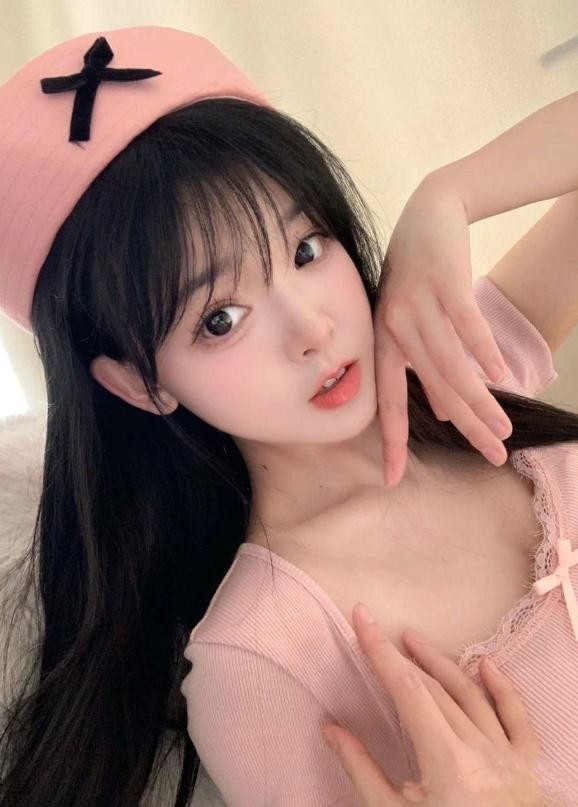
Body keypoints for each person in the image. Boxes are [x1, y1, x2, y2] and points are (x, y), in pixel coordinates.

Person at [0, 24, 576, 806]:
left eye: (307, 249)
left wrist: (451, 193)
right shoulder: (263, 662)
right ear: (139, 384)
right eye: (220, 318)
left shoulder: (458, 377)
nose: (312, 329)